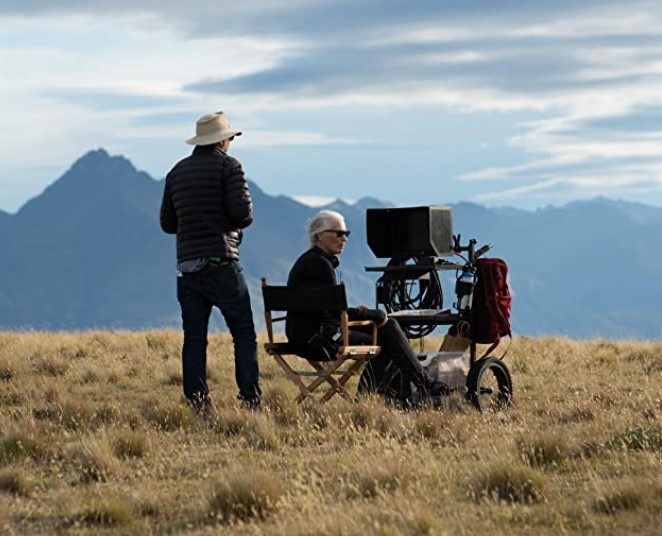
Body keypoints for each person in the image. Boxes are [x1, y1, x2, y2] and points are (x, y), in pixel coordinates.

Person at [160, 111, 261, 415]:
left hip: (187, 268)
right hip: (221, 262)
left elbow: (167, 223)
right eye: (230, 138)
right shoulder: (230, 167)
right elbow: (243, 214)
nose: (230, 142)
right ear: (222, 140)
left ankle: (199, 404)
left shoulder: (175, 172)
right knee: (243, 334)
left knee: (194, 339)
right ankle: (250, 400)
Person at [286, 210, 443, 404]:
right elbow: (337, 312)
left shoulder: (310, 261)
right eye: (338, 233)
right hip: (319, 338)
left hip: (309, 333)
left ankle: (415, 388)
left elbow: (330, 309)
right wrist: (375, 314)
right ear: (320, 236)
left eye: (346, 234)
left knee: (390, 328)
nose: (344, 238)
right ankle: (369, 400)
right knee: (387, 340)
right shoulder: (320, 265)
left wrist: (370, 315)